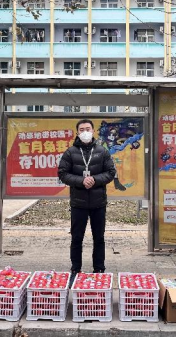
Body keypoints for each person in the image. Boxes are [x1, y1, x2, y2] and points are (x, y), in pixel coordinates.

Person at [58, 119, 116, 278]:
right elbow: (62, 173)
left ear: (93, 131)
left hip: (98, 203)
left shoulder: (102, 151)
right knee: (77, 238)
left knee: (99, 238)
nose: (85, 132)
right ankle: (75, 269)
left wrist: (95, 180)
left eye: (88, 129)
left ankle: (99, 269)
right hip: (78, 202)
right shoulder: (70, 152)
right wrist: (81, 181)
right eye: (82, 129)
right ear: (77, 133)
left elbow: (111, 172)